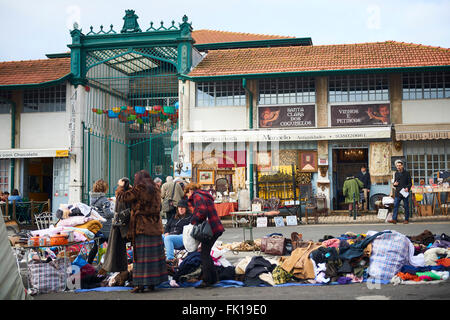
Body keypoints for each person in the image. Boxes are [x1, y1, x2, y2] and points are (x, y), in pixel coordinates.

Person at [116, 170, 168, 293]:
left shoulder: (140, 188)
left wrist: (121, 186)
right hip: (155, 226)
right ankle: (152, 283)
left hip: (142, 227)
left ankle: (140, 284)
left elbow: (122, 197)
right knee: (154, 257)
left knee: (140, 257)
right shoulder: (156, 188)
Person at [185, 183, 224, 289]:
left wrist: (193, 221)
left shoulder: (196, 196)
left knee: (204, 254)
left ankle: (207, 280)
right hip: (215, 227)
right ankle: (213, 278)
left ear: (190, 191)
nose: (187, 196)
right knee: (205, 253)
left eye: (187, 193)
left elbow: (202, 211)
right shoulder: (204, 195)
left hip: (210, 229)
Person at [102, 177, 131, 274]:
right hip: (124, 223)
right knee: (118, 249)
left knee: (115, 249)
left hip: (119, 224)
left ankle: (117, 269)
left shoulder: (121, 194)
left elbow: (121, 209)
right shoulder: (129, 193)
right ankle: (121, 269)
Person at [88, 180, 114, 265]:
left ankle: (88, 264)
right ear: (104, 189)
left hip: (97, 226)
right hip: (106, 227)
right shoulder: (104, 200)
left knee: (95, 247)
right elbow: (108, 214)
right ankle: (110, 265)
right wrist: (115, 213)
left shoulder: (92, 198)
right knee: (113, 247)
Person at [389, 159, 412, 224]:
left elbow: (410, 183)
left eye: (399, 165)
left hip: (405, 192)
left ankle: (406, 219)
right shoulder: (396, 173)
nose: (398, 167)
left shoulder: (407, 173)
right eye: (397, 166)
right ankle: (394, 219)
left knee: (406, 206)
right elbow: (395, 183)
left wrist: (407, 188)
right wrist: (394, 184)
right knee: (395, 206)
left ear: (402, 166)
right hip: (398, 192)